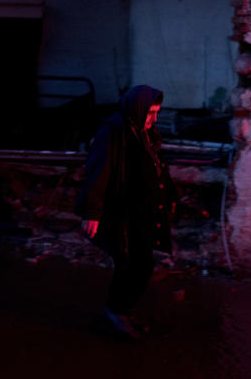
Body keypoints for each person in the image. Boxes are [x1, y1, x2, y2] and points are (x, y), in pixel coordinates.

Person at [75, 85, 177, 338]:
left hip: (143, 213)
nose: (154, 118)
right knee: (134, 265)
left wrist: (169, 196)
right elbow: (98, 171)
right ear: (138, 108)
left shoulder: (145, 132)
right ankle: (117, 311)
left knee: (137, 264)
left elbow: (158, 166)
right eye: (150, 112)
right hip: (123, 213)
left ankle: (121, 310)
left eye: (157, 113)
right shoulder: (115, 131)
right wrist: (92, 212)